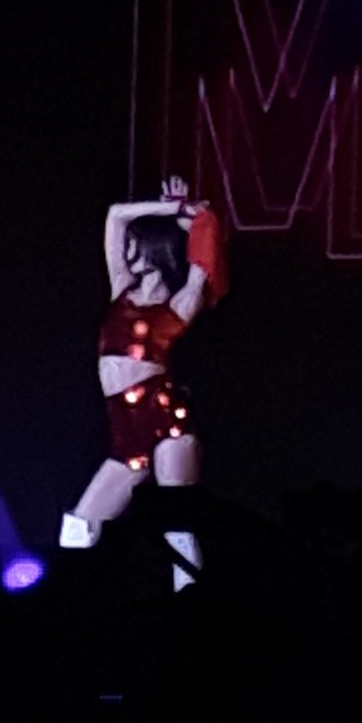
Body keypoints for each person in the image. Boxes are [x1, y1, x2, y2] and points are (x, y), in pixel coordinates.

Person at [60, 174, 227, 588]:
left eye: (138, 243)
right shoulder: (121, 288)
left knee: (177, 529)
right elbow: (116, 216)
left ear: (154, 249)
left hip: (165, 417)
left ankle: (191, 608)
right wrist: (171, 208)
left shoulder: (180, 302)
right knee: (78, 528)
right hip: (126, 429)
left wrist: (189, 220)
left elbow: (204, 256)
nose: (129, 249)